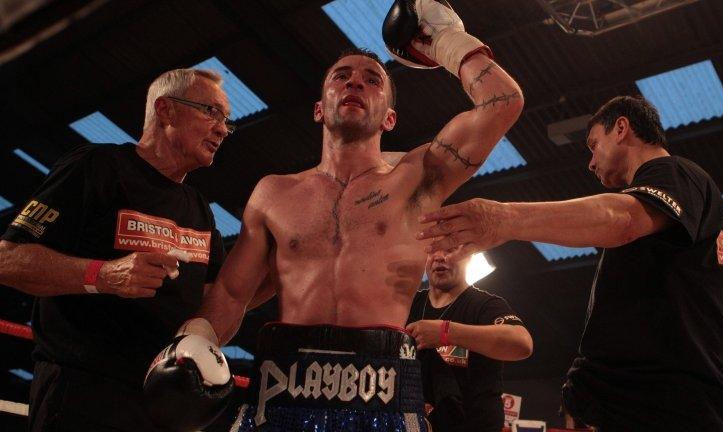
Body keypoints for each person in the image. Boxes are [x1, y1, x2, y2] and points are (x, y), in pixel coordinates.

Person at [154, 1, 525, 430]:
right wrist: (194, 340)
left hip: (384, 399)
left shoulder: (418, 178)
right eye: (341, 76)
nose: (355, 83)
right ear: (318, 108)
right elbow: (233, 295)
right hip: (279, 397)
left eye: (372, 80)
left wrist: (444, 40)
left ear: (389, 117)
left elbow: (502, 102)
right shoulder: (273, 192)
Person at [417, 96, 723, 431]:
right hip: (642, 403)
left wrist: (502, 218)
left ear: (621, 128)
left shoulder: (675, 173)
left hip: (665, 407)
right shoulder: (665, 207)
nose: (590, 162)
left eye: (593, 144)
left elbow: (621, 219)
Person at [0, 67, 232, 431]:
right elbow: (8, 259)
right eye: (212, 112)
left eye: (227, 120)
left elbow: (217, 305)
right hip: (82, 393)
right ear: (166, 110)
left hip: (162, 404)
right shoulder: (98, 167)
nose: (222, 128)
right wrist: (103, 275)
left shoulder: (201, 210)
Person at [406, 246, 532, 432]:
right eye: (433, 250)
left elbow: (522, 344)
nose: (440, 257)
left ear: (470, 256)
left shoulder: (485, 305)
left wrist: (445, 332)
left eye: (450, 249)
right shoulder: (408, 304)